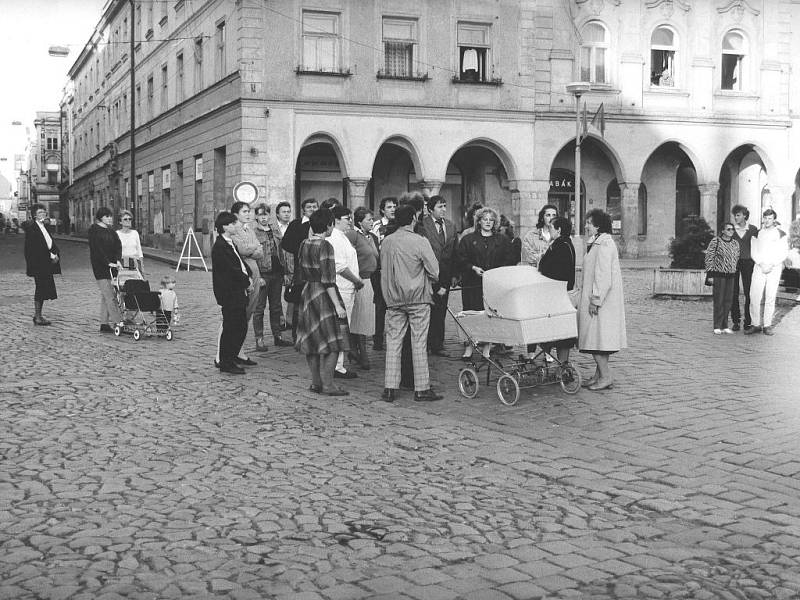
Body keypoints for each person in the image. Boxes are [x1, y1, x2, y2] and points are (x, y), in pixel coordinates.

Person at [379, 204, 442, 403]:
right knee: (418, 342)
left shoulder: (387, 242)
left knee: (393, 342)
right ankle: (421, 388)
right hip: (418, 298)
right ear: (414, 219)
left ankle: (390, 387)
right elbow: (434, 271)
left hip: (393, 299)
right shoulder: (419, 241)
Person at [295, 208, 351, 396]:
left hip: (308, 293)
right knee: (333, 342)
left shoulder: (304, 243)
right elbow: (328, 279)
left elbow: (301, 272)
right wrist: (337, 305)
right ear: (329, 225)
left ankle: (316, 382)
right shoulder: (326, 246)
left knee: (311, 340)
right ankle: (328, 385)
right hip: (323, 294)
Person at [577, 209, 627, 390]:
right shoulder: (597, 242)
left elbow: (603, 275)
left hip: (601, 302)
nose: (586, 226)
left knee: (596, 340)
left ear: (598, 225)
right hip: (598, 300)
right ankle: (599, 375)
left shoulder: (604, 244)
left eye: (589, 223)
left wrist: (595, 300)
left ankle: (606, 377)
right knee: (597, 340)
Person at [456, 206, 514, 359]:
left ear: (495, 222)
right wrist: (473, 268)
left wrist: (496, 273)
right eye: (485, 219)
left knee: (489, 314)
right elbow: (460, 259)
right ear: (479, 221)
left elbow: (509, 260)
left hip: (492, 285)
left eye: (491, 220)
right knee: (470, 314)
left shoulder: (502, 240)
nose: (488, 222)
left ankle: (487, 346)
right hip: (472, 283)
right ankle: (469, 346)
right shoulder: (468, 239)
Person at [212, 211, 254, 375]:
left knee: (240, 326)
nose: (237, 226)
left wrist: (248, 275)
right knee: (232, 327)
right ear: (225, 226)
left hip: (238, 291)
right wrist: (246, 281)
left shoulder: (230, 243)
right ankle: (226, 361)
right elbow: (232, 270)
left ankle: (232, 356)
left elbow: (240, 264)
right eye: (233, 223)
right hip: (230, 293)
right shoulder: (220, 247)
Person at [327, 205, 364, 378]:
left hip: (347, 287)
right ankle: (337, 366)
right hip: (343, 286)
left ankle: (337, 363)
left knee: (343, 326)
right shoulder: (335, 237)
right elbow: (340, 266)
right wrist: (356, 280)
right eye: (347, 218)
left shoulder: (342, 236)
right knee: (340, 327)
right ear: (336, 220)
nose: (350, 221)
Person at [537, 216, 577, 364]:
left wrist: (542, 262)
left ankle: (563, 365)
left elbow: (550, 269)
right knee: (562, 334)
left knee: (561, 334)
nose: (550, 231)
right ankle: (562, 364)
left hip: (558, 294)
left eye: (551, 228)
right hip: (561, 293)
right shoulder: (565, 243)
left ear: (559, 230)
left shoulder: (560, 246)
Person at [252, 203, 292, 351]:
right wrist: (257, 276)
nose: (263, 218)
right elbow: (252, 257)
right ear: (256, 216)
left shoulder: (275, 231)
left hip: (277, 273)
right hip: (263, 274)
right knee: (259, 308)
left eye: (266, 214)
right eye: (261, 215)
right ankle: (259, 339)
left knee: (276, 307)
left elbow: (283, 253)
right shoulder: (254, 232)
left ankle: (278, 336)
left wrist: (286, 272)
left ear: (270, 215)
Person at [421, 195, 457, 356]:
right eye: (439, 207)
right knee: (426, 309)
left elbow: (454, 251)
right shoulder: (422, 225)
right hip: (426, 274)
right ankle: (425, 343)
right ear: (430, 210)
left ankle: (438, 344)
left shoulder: (450, 226)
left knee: (441, 310)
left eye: (444, 206)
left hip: (445, 274)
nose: (443, 209)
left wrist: (455, 275)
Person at [345, 206, 380, 369]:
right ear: (360, 222)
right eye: (369, 219)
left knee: (365, 318)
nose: (372, 222)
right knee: (358, 318)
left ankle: (356, 351)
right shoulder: (353, 235)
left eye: (372, 219)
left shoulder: (371, 236)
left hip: (369, 280)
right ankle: (359, 352)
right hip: (358, 280)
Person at [746, 209, 789, 336]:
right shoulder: (757, 233)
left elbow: (783, 252)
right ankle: (755, 324)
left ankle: (767, 325)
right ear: (763, 219)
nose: (767, 220)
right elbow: (754, 250)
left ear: (774, 219)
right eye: (765, 218)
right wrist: (761, 263)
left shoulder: (781, 234)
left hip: (773, 268)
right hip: (759, 267)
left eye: (770, 218)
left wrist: (771, 264)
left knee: (770, 297)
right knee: (754, 296)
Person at [281, 198, 319, 340]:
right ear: (303, 209)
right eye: (309, 207)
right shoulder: (296, 224)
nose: (312, 209)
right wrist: (301, 250)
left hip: (316, 270)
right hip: (300, 270)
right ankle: (297, 334)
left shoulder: (320, 224)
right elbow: (286, 244)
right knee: (299, 303)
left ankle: (312, 333)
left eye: (315, 206)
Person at [22, 203, 61, 326]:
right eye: (39, 212)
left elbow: (49, 242)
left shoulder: (44, 226)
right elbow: (35, 248)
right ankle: (37, 316)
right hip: (38, 264)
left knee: (44, 288)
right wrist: (51, 256)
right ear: (34, 215)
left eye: (44, 212)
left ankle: (38, 315)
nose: (42, 214)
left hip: (46, 263)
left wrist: (55, 253)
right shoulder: (33, 229)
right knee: (40, 288)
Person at [88, 206, 124, 333]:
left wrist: (118, 260)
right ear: (100, 217)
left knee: (106, 295)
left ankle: (104, 323)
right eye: (107, 216)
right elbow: (96, 249)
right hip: (101, 267)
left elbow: (118, 246)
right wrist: (107, 262)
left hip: (113, 267)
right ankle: (118, 322)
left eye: (110, 216)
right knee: (110, 296)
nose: (110, 219)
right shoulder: (94, 230)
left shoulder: (111, 231)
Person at [705, 223, 740, 335]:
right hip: (719, 274)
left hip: (731, 275)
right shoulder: (716, 241)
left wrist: (733, 269)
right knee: (719, 300)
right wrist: (710, 274)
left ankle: (725, 325)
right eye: (728, 229)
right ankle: (717, 325)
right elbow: (709, 257)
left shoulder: (735, 243)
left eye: (732, 229)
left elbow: (737, 257)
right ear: (723, 231)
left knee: (728, 301)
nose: (731, 231)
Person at [730, 204, 759, 331]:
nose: (736, 218)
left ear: (745, 216)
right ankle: (736, 321)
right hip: (734, 263)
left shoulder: (753, 229)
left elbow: (758, 245)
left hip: (748, 262)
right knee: (733, 292)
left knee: (749, 292)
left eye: (738, 215)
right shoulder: (730, 229)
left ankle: (748, 320)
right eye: (735, 215)